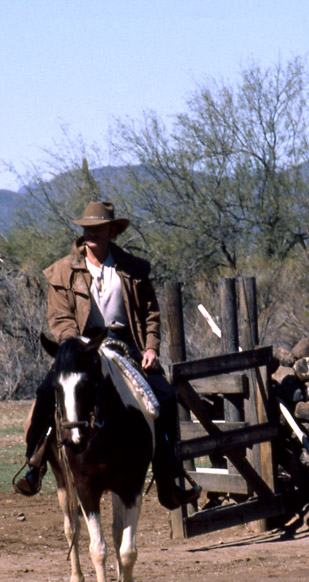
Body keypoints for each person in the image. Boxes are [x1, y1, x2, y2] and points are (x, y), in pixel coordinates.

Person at [14, 200, 201, 510]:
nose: (91, 234)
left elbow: (151, 313)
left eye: (98, 229)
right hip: (79, 348)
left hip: (125, 346)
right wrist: (77, 347)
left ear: (113, 231)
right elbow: (59, 319)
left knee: (165, 397)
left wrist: (152, 347)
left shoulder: (133, 269)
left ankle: (169, 477)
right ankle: (34, 465)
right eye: (87, 229)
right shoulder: (62, 271)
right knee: (47, 392)